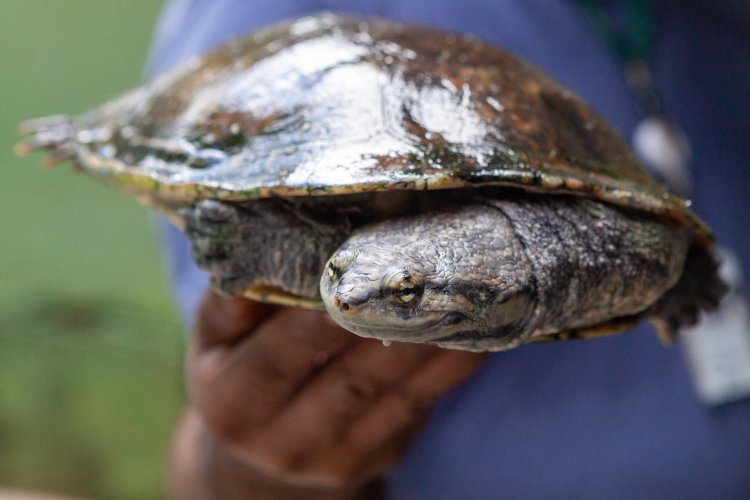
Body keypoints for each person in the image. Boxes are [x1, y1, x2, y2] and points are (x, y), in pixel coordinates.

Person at [147, 1, 750, 498]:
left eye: (406, 292)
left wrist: (682, 270)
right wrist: (255, 468)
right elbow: (219, 451)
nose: (347, 297)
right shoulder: (261, 19)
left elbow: (657, 241)